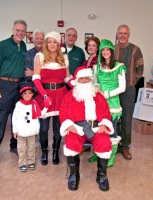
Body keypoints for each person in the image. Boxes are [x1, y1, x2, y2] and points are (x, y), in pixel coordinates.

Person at [59, 66, 113, 191]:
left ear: (91, 80)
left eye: (86, 79)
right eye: (81, 79)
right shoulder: (69, 95)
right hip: (76, 128)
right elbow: (63, 113)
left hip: (96, 127)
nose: (84, 81)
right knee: (71, 143)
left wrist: (104, 124)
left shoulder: (98, 96)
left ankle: (102, 175)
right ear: (76, 80)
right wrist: (69, 125)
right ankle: (74, 174)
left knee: (105, 143)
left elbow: (106, 112)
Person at [0, 19, 27, 165]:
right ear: (13, 30)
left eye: (22, 31)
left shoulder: (23, 45)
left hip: (20, 86)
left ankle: (13, 146)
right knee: (1, 119)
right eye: (18, 30)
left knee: (17, 118)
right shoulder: (2, 45)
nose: (20, 33)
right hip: (5, 85)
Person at [32, 31, 70, 166]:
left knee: (58, 127)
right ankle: (44, 151)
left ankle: (55, 151)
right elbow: (36, 79)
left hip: (61, 95)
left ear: (59, 44)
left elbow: (67, 77)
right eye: (49, 41)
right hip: (45, 95)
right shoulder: (40, 57)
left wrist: (78, 85)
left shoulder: (64, 58)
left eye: (55, 41)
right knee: (43, 128)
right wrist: (45, 95)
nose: (52, 44)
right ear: (46, 43)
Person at [89, 39, 126, 167]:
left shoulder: (119, 66)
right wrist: (97, 86)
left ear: (111, 51)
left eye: (107, 49)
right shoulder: (97, 66)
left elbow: (122, 87)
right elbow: (94, 82)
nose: (105, 52)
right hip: (98, 103)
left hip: (113, 104)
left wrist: (107, 94)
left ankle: (111, 157)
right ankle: (97, 152)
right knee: (97, 129)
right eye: (103, 50)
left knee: (112, 130)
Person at [115, 24, 144, 160]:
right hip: (113, 90)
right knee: (113, 118)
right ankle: (114, 145)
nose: (122, 35)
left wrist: (131, 82)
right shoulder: (112, 49)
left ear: (129, 35)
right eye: (120, 33)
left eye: (125, 33)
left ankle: (125, 146)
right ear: (116, 34)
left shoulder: (135, 50)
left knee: (126, 118)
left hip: (128, 89)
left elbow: (140, 68)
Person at [12, 81, 47, 172]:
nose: (27, 95)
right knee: (21, 148)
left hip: (31, 131)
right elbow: (14, 118)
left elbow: (40, 115)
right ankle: (22, 163)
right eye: (25, 93)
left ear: (32, 94)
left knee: (32, 147)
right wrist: (14, 130)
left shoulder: (34, 103)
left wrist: (46, 107)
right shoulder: (18, 105)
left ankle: (31, 161)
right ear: (21, 95)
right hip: (21, 131)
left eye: (29, 93)